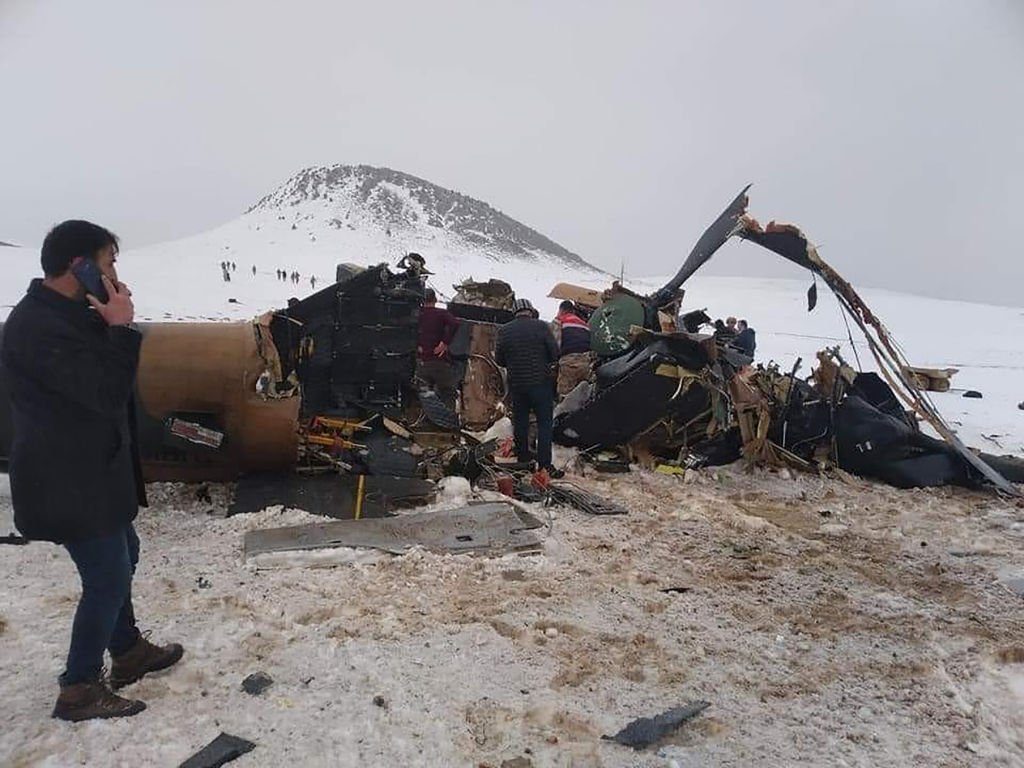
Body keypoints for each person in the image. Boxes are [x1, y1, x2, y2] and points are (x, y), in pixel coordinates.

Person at [1, 221, 184, 722]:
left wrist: (108, 323)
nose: (114, 274)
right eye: (107, 263)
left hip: (92, 470)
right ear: (76, 265)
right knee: (106, 576)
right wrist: (121, 331)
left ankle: (126, 651)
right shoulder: (37, 327)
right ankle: (78, 688)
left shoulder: (68, 314)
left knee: (126, 552)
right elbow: (103, 393)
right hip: (65, 478)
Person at [495, 298, 562, 477]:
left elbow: (499, 360)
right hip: (540, 382)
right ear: (530, 311)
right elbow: (555, 353)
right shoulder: (541, 326)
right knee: (545, 424)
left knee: (521, 422)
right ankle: (544, 465)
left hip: (517, 385)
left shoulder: (504, 330)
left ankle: (523, 458)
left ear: (515, 312)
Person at [416, 288, 461, 408]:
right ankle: (448, 421)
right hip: (438, 362)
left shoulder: (417, 313)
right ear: (435, 299)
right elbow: (455, 323)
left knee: (422, 395)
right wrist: (445, 343)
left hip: (420, 362)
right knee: (448, 393)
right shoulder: (441, 314)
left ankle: (422, 422)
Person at [550, 300, 592, 397]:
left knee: (565, 397)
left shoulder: (559, 320)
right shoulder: (584, 324)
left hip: (569, 364)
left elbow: (555, 344)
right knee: (581, 397)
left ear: (561, 310)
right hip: (586, 364)